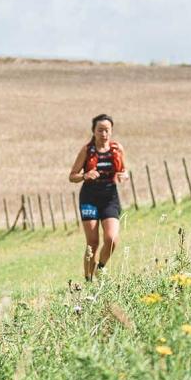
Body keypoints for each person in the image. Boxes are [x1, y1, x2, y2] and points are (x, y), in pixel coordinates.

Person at [68, 114, 127, 281]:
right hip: (89, 197)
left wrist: (124, 176)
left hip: (110, 197)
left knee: (112, 239)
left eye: (107, 130)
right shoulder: (87, 150)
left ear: (111, 131)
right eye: (100, 130)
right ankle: (88, 280)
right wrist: (85, 175)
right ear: (93, 131)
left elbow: (124, 170)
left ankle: (100, 268)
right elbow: (72, 176)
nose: (104, 134)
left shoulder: (117, 149)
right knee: (92, 242)